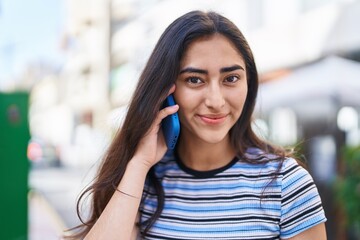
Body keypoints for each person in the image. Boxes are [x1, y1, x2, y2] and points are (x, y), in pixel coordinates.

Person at [67, 10, 327, 240]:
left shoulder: (285, 184)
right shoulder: (144, 183)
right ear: (166, 90)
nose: (215, 101)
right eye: (194, 80)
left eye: (231, 78)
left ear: (249, 83)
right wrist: (139, 164)